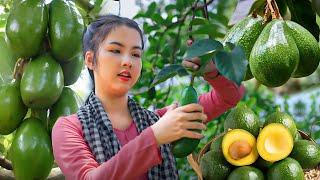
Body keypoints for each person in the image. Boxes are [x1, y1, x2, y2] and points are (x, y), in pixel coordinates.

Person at [52, 14, 245, 180]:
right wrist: (156, 136)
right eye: (116, 51)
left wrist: (212, 72)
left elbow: (230, 97)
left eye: (135, 54)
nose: (128, 61)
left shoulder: (161, 120)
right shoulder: (68, 128)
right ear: (90, 59)